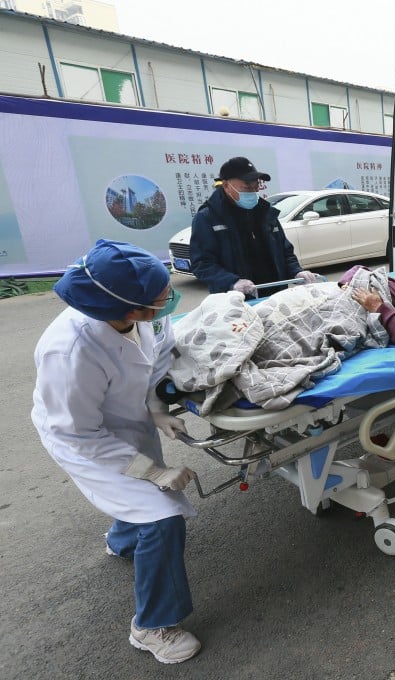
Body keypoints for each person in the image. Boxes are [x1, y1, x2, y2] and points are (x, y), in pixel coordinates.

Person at [31, 240, 202, 664]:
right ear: (132, 309)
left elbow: (157, 354)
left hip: (129, 417)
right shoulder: (70, 352)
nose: (169, 303)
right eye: (162, 300)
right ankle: (152, 626)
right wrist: (150, 470)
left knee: (139, 502)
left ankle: (122, 539)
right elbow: (79, 434)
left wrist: (156, 409)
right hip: (86, 440)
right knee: (162, 516)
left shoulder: (139, 318)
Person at [190, 156, 317, 297]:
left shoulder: (266, 212)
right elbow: (202, 264)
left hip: (276, 294)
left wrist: (296, 271)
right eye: (246, 187)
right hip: (236, 298)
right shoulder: (208, 217)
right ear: (226, 186)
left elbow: (284, 250)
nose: (252, 192)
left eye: (255, 186)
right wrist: (232, 282)